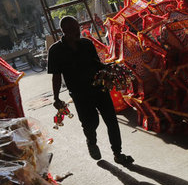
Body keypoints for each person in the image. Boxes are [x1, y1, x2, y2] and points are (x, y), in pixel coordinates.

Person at [48, 16, 134, 165]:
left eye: (77, 27)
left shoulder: (87, 44)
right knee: (90, 123)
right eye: (73, 29)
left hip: (99, 88)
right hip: (80, 94)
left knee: (111, 120)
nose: (77, 31)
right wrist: (56, 98)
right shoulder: (55, 51)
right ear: (64, 31)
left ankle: (118, 153)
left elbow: (97, 64)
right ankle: (91, 141)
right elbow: (56, 76)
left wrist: (111, 68)